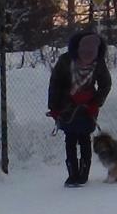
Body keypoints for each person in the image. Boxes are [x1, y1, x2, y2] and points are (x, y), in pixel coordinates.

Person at [48, 30, 112, 187]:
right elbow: (55, 84)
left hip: (87, 108)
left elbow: (106, 84)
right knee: (70, 140)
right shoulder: (65, 61)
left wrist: (95, 103)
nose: (87, 58)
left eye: (91, 54)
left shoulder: (99, 63)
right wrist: (54, 108)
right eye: (84, 53)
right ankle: (72, 174)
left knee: (84, 139)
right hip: (67, 107)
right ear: (77, 49)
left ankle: (83, 174)